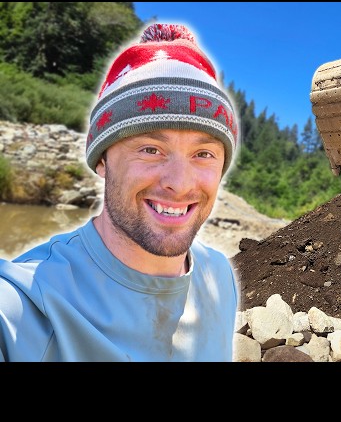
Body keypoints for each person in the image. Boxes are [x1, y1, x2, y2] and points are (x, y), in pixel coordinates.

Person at [0, 23, 240, 361]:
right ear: (103, 160)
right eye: (150, 149)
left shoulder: (219, 276)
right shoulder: (28, 305)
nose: (180, 183)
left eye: (204, 154)